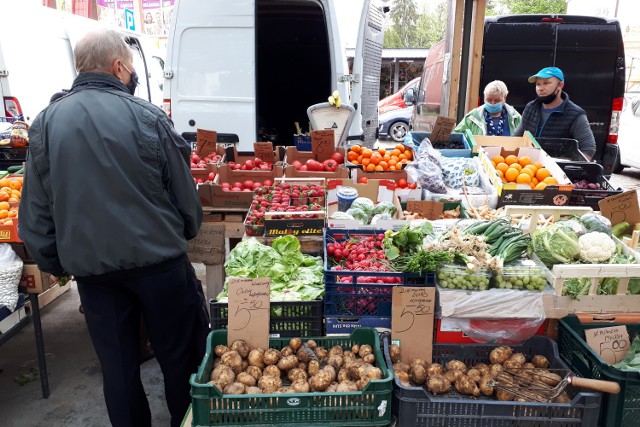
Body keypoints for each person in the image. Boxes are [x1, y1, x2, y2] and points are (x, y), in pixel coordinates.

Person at [19, 30, 209, 427]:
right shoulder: (147, 116)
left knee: (118, 369)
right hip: (159, 266)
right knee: (179, 358)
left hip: (95, 273)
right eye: (132, 68)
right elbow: (184, 195)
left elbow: (35, 208)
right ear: (118, 66)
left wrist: (57, 260)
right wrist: (186, 232)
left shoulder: (45, 124)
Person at [514, 66, 596, 160]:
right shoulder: (530, 108)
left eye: (546, 83)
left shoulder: (575, 114)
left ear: (560, 85)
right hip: (529, 169)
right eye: (538, 84)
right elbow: (516, 138)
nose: (540, 88)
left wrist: (568, 170)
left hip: (559, 171)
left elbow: (588, 148)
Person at [454, 80, 522, 136]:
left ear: (504, 98)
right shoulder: (472, 118)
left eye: (497, 100)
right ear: (484, 98)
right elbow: (457, 137)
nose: (492, 103)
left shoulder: (516, 118)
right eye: (489, 100)